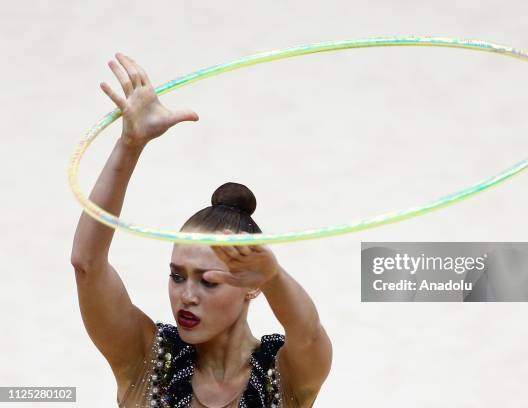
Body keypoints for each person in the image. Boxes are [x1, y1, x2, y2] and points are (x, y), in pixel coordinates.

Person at [70, 52, 332, 407]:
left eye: (207, 281)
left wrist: (274, 278)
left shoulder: (283, 376)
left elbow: (309, 334)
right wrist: (130, 145)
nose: (187, 296)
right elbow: (87, 265)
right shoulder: (144, 359)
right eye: (178, 277)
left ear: (251, 286)